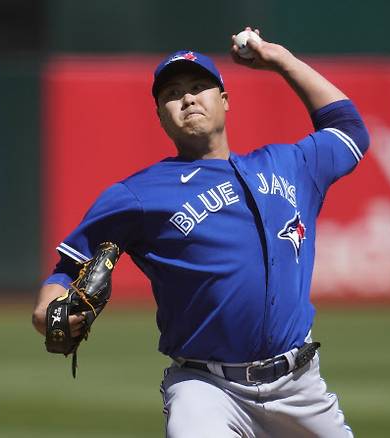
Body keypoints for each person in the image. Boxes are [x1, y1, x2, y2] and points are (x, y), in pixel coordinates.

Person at [32, 27, 369, 437]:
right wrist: (47, 309)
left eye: (199, 87)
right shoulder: (137, 194)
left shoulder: (290, 165)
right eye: (172, 93)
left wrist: (281, 60)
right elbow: (66, 269)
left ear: (225, 101)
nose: (188, 97)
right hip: (206, 388)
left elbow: (350, 130)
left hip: (299, 386)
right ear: (159, 114)